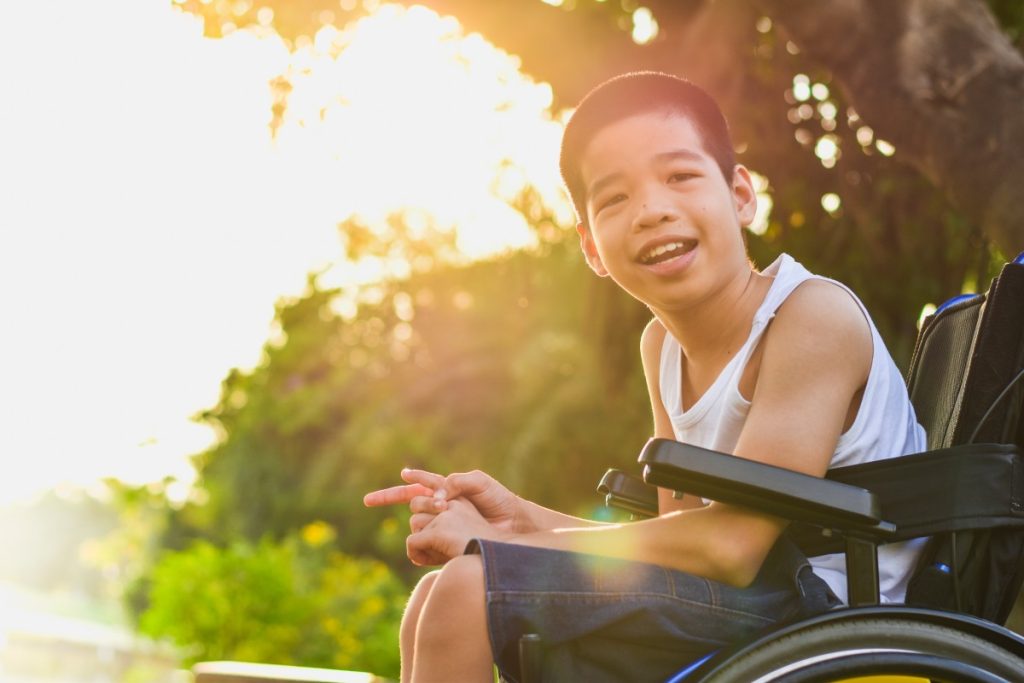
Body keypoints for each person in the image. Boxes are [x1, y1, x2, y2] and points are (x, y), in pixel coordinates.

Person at [363, 72, 927, 683]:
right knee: (435, 596)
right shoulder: (661, 345)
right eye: (614, 199)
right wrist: (520, 519)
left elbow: (732, 548)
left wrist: (499, 550)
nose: (652, 211)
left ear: (740, 195)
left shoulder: (810, 315)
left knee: (469, 588)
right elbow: (676, 543)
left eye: (681, 177)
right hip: (758, 599)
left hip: (832, 617)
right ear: (593, 249)